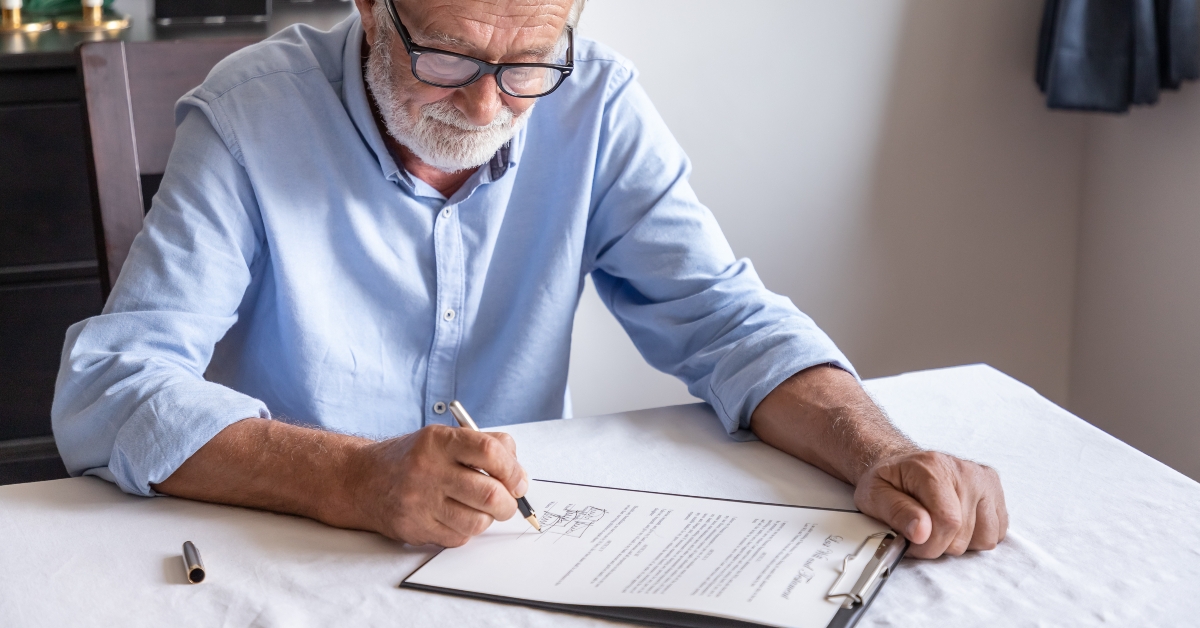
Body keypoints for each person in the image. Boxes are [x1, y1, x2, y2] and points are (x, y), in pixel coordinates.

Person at [52, 0, 1007, 559]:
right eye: (448, 54)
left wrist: (877, 452)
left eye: (526, 65)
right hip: (286, 552)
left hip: (503, 563)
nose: (482, 102)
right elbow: (108, 389)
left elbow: (727, 322)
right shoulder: (249, 116)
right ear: (371, 8)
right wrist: (352, 478)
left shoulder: (595, 101)